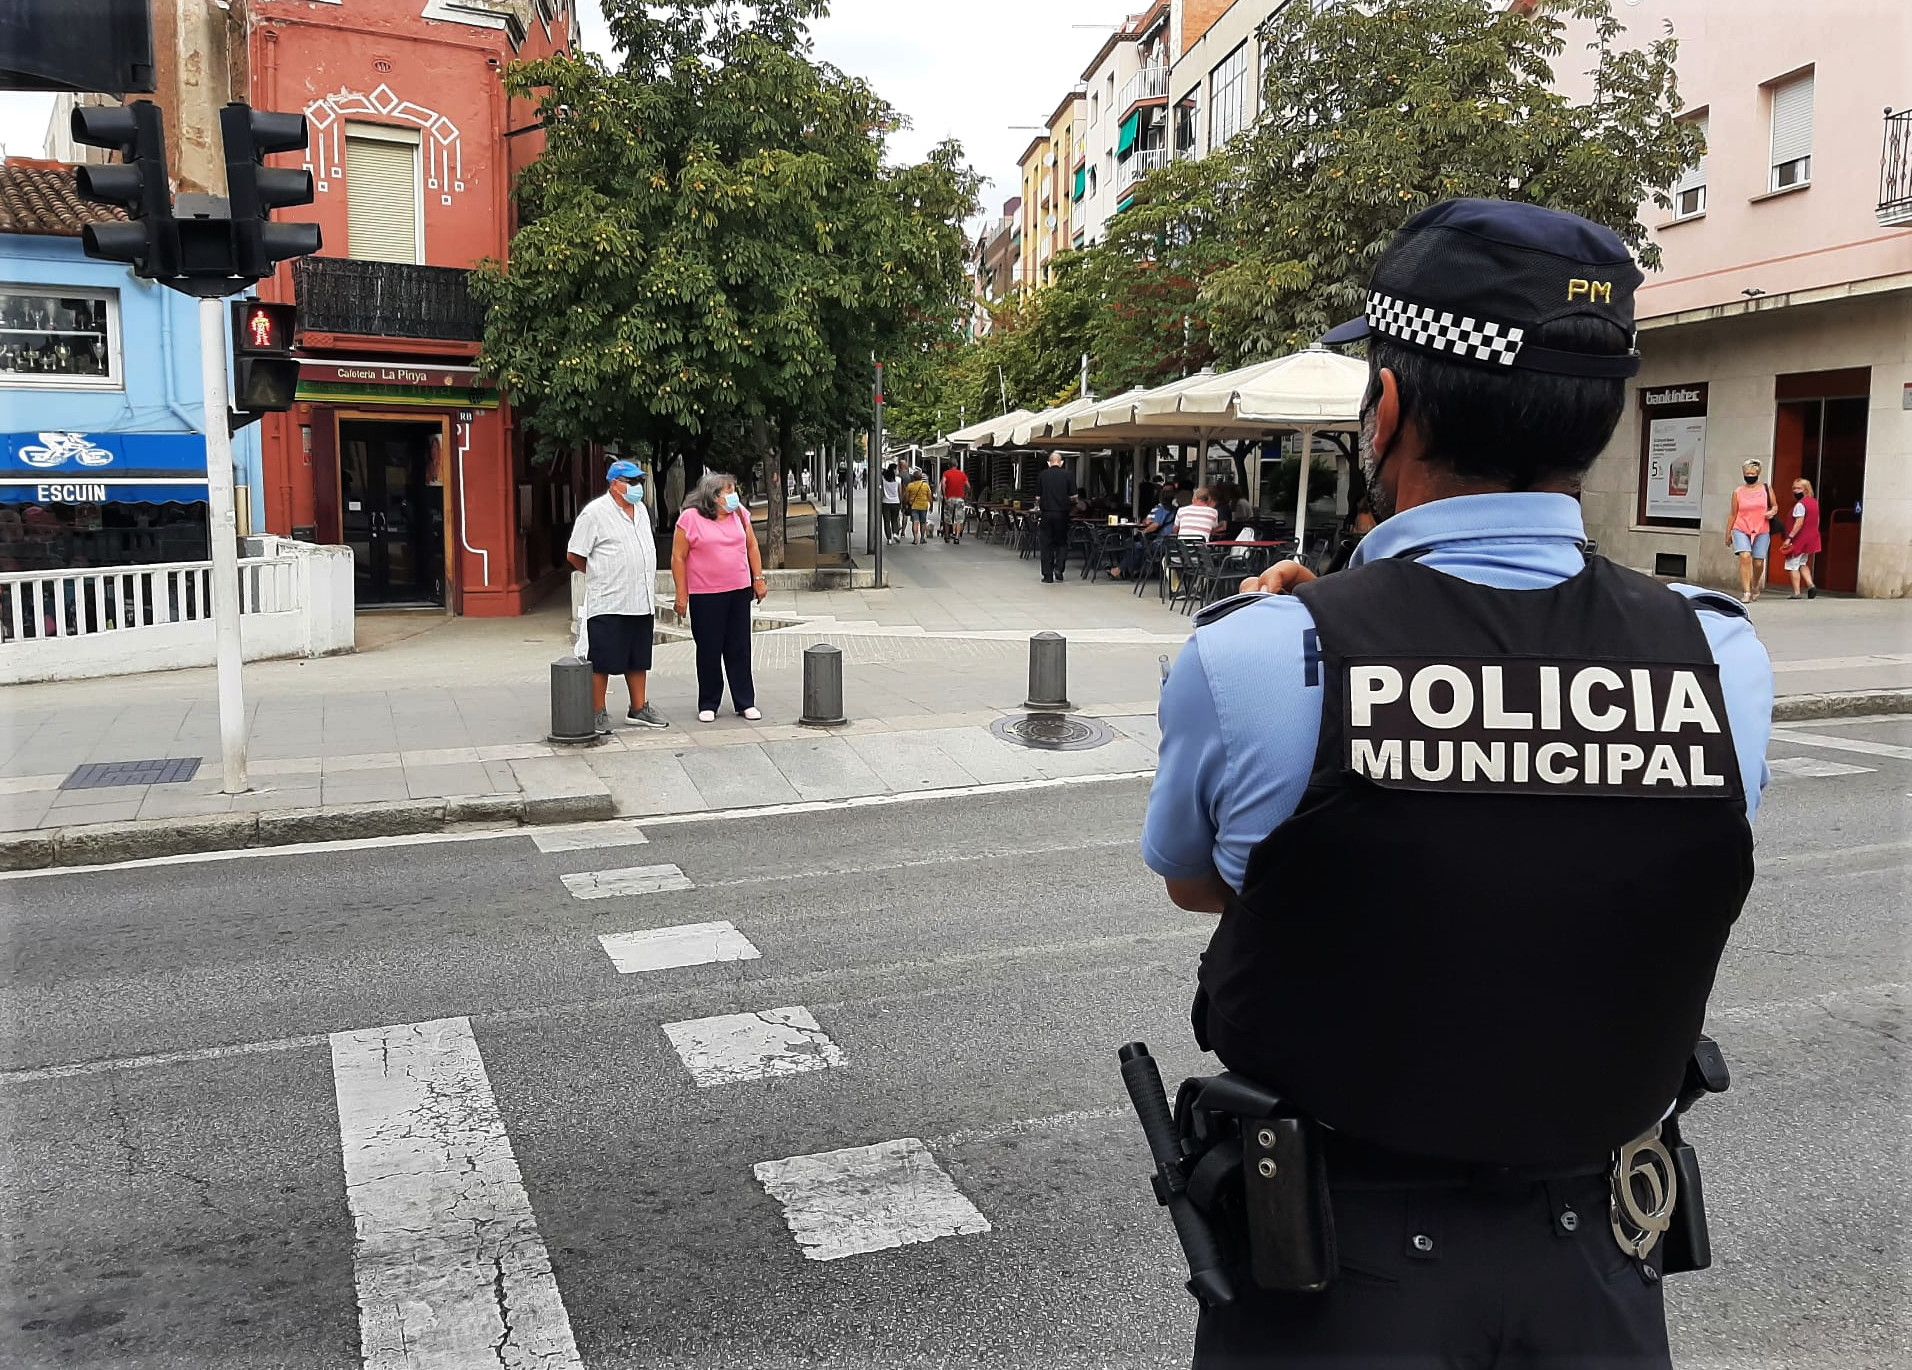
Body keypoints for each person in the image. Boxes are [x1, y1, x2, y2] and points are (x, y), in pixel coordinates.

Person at [1142, 199, 1774, 1369]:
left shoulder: (1261, 656)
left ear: (1385, 406)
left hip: (1335, 1279)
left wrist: (1325, 627)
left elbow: (1201, 880)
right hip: (1595, 1266)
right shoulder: (1717, 655)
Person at [566, 460, 669, 734]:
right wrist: (600, 573)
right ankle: (597, 711)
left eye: (638, 482)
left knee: (638, 658)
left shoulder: (642, 511)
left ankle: (639, 707)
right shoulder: (595, 513)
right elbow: (575, 553)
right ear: (614, 484)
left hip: (641, 598)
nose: (636, 487)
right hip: (609, 600)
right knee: (602, 659)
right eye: (631, 482)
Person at [672, 471, 768, 723]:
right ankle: (708, 702)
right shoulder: (690, 519)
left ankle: (744, 701)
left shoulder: (739, 514)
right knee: (709, 649)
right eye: (728, 491)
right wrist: (681, 594)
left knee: (739, 647)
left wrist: (758, 579)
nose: (734, 495)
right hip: (705, 594)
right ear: (713, 496)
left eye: (734, 490)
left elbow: (752, 546)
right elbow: (678, 557)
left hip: (738, 590)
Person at [1726, 459, 1776, 604]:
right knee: (1745, 556)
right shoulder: (1738, 492)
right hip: (1741, 527)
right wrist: (1728, 533)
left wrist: (1772, 512)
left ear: (1758, 474)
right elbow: (1733, 514)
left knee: (1759, 562)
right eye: (1747, 473)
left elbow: (1775, 506)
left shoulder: (1766, 489)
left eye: (1752, 473)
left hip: (1762, 528)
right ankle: (1746, 591)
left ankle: (1755, 585)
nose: (1749, 475)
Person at [1110, 487, 1178, 580]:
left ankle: (1123, 570)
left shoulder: (1162, 509)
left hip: (1161, 543)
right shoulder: (1176, 510)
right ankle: (1130, 570)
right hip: (1172, 543)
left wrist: (1144, 532)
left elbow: (1156, 525)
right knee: (1138, 546)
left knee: (1136, 546)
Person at [1036, 451, 1077, 583]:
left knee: (1046, 544)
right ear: (1061, 463)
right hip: (1062, 513)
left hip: (1046, 513)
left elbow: (1037, 497)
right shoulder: (1068, 475)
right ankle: (1059, 568)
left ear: (1049, 463)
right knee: (1062, 542)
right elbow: (1074, 497)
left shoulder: (1042, 475)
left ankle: (1047, 575)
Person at [1781, 476, 1821, 600]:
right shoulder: (1814, 502)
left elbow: (1799, 522)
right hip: (1811, 538)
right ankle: (1811, 585)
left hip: (1799, 539)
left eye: (1799, 488)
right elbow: (1817, 520)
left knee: (1792, 565)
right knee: (1802, 563)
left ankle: (1797, 592)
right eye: (1794, 488)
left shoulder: (1800, 505)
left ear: (1806, 489)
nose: (1795, 491)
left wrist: (1789, 538)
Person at [940, 461, 971, 543]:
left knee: (947, 518)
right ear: (957, 465)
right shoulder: (962, 474)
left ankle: (947, 537)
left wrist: (944, 495)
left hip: (949, 499)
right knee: (959, 519)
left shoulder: (946, 473)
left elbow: (943, 484)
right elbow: (968, 486)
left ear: (949, 465)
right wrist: (966, 494)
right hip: (960, 499)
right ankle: (957, 537)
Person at [904, 468, 934, 545]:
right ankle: (922, 538)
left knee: (915, 522)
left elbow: (906, 497)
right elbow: (930, 497)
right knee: (923, 522)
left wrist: (906, 504)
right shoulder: (926, 486)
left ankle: (915, 539)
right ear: (921, 477)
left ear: (913, 478)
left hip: (913, 506)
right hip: (924, 506)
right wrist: (931, 506)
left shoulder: (910, 485)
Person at [881, 463, 903, 544]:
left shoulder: (883, 479)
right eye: (896, 469)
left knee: (886, 521)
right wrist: (901, 502)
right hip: (895, 502)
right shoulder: (898, 480)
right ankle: (895, 533)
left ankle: (889, 539)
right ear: (894, 470)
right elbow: (900, 492)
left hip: (885, 502)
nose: (897, 471)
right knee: (894, 519)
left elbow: (881, 491)